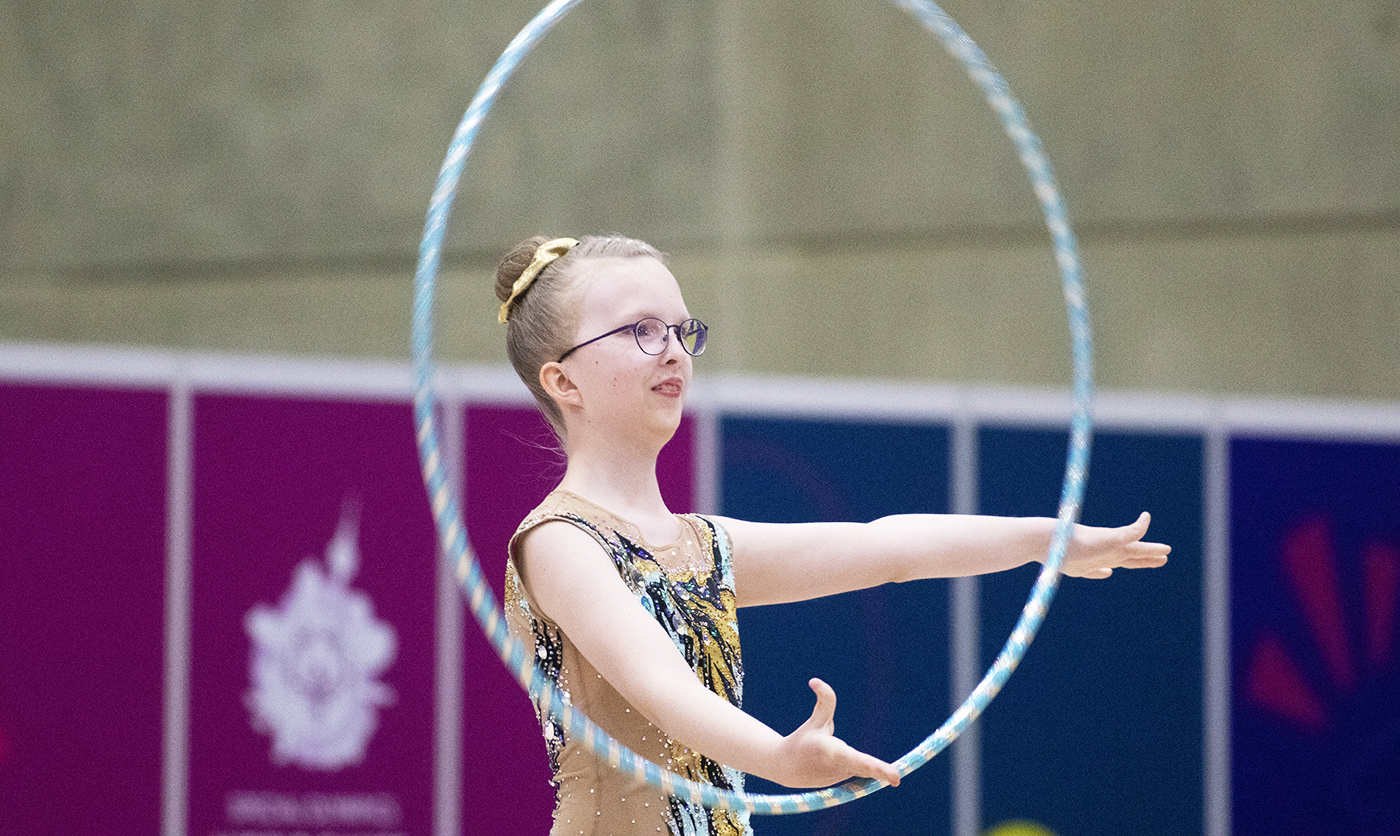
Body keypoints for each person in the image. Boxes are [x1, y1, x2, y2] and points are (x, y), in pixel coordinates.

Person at [494, 234, 1170, 836]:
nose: (672, 349)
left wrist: (1043, 539)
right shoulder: (560, 542)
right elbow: (663, 688)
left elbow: (889, 548)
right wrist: (778, 759)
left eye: (680, 329)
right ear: (563, 379)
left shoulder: (704, 546)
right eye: (640, 330)